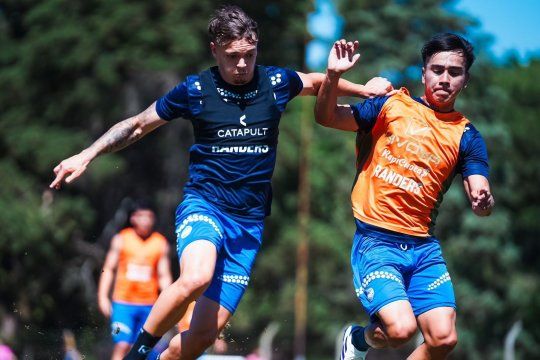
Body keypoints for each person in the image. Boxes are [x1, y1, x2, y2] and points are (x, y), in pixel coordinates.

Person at [49, 5, 394, 359]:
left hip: (248, 225)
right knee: (197, 277)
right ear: (215, 50)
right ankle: (137, 353)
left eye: (249, 55)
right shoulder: (196, 89)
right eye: (233, 57)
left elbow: (318, 81)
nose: (242, 66)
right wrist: (86, 154)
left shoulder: (275, 82)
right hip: (205, 205)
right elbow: (138, 124)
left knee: (200, 339)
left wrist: (363, 91)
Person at [315, 34, 495, 360]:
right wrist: (333, 76)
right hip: (376, 241)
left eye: (454, 72)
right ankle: (359, 340)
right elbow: (326, 117)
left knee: (443, 339)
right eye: (437, 69)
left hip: (423, 248)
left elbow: (480, 194)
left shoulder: (467, 135)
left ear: (465, 80)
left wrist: (484, 201)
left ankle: (362, 341)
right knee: (400, 331)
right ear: (423, 72)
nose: (444, 78)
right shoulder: (391, 105)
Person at [97, 202, 172, 359]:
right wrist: (103, 297)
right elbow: (108, 269)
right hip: (122, 305)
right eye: (142, 216)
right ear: (133, 218)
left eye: (150, 217)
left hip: (149, 306)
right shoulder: (121, 239)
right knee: (122, 344)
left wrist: (170, 302)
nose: (146, 221)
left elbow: (164, 276)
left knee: (143, 349)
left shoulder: (160, 243)